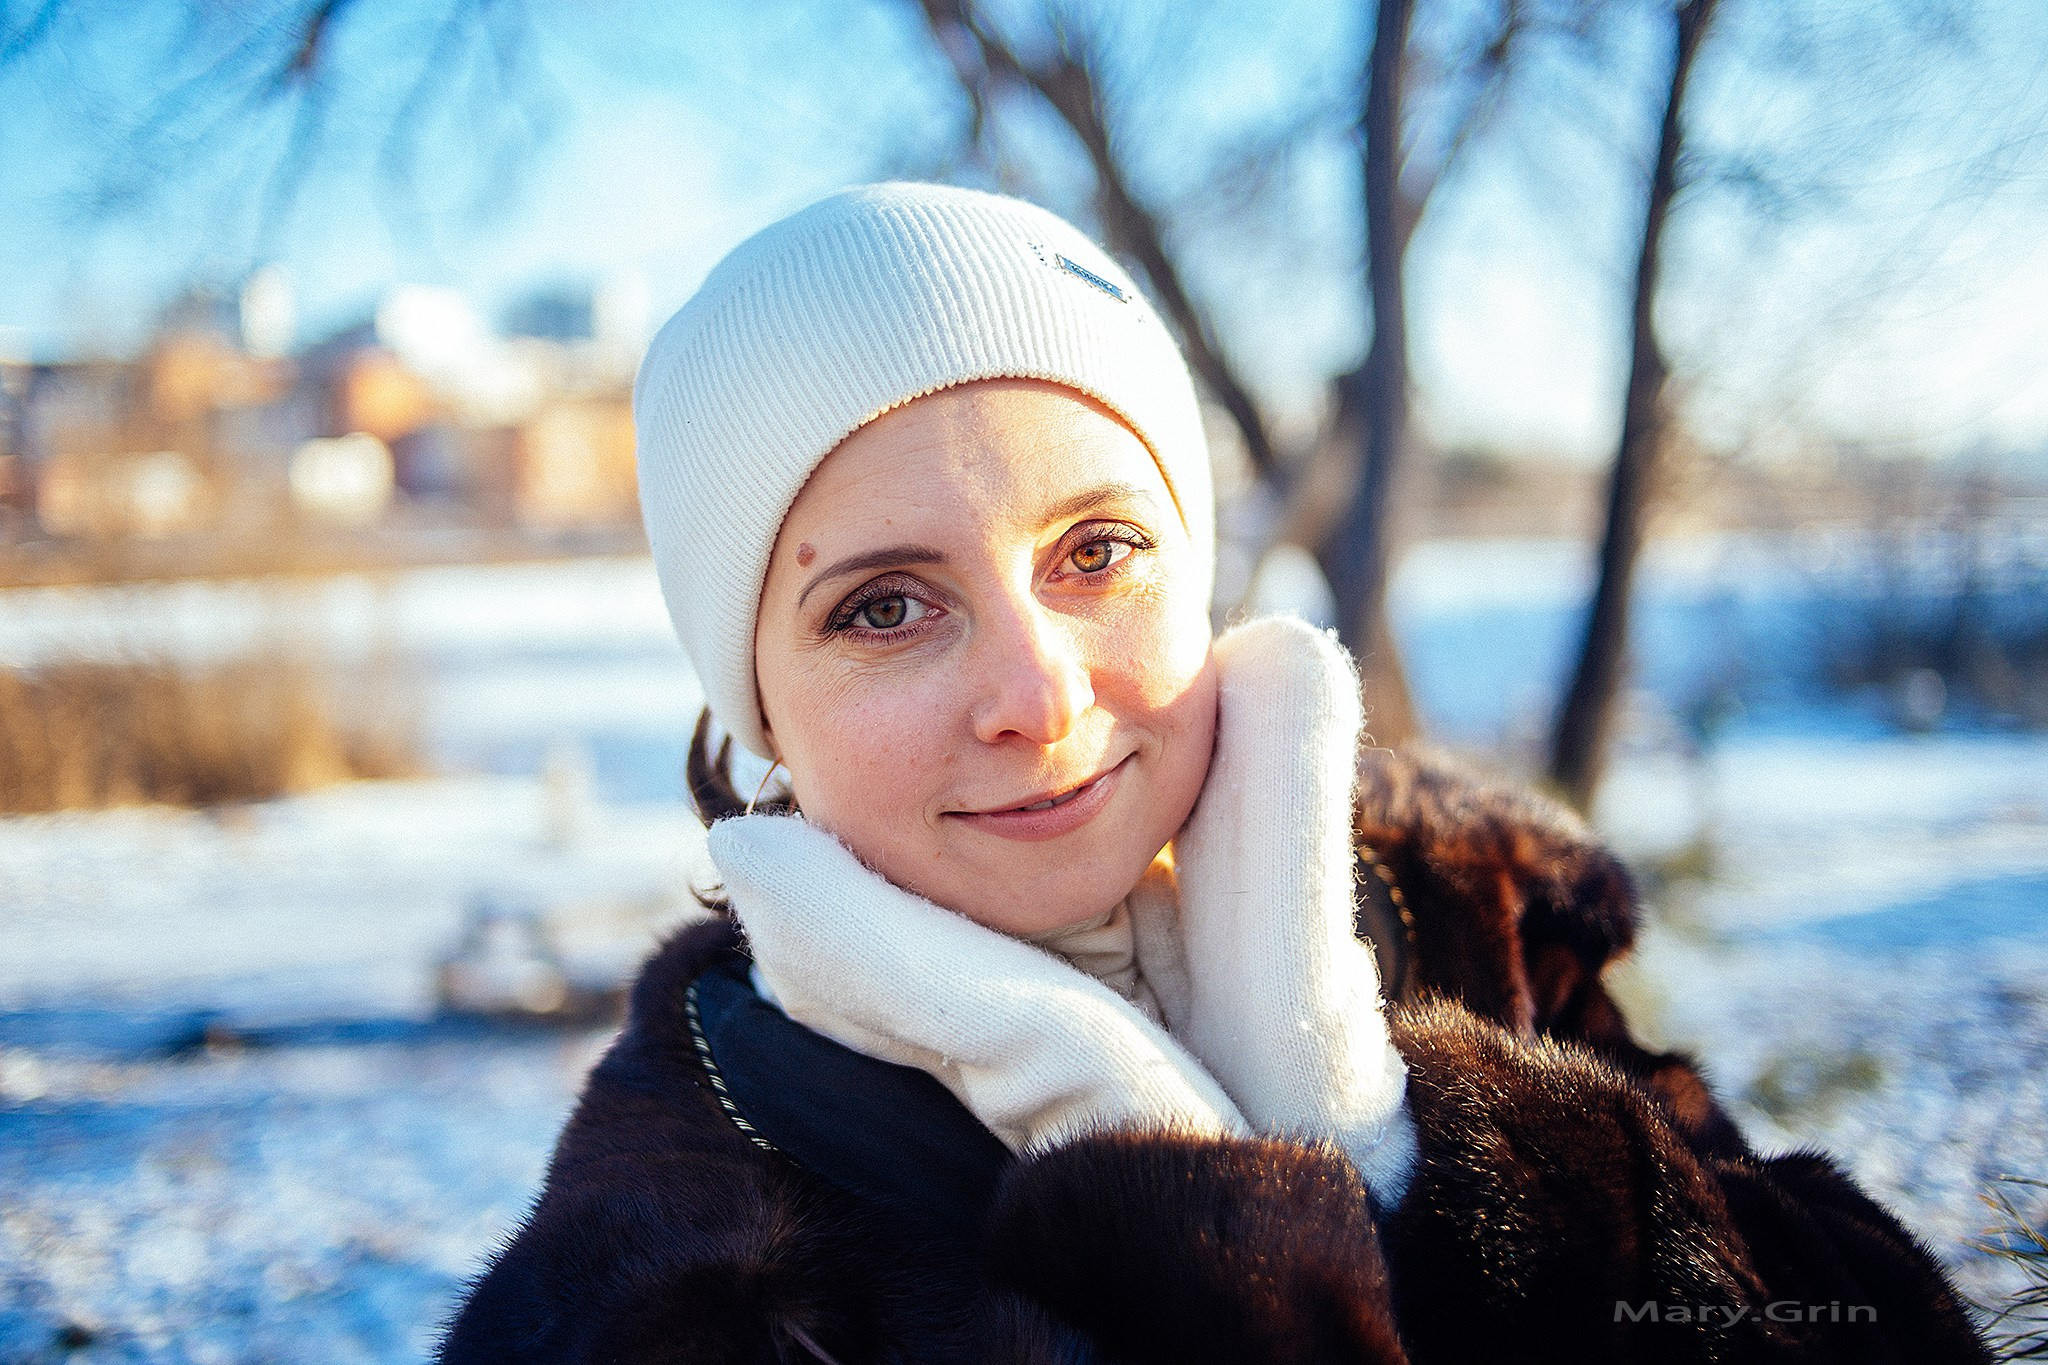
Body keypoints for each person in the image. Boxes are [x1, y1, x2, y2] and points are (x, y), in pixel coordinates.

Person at [437, 183, 1991, 1363]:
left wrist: (1408, 1149)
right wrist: (1217, 1248)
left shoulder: (1473, 915)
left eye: (1097, 549)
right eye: (885, 607)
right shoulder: (671, 1266)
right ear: (757, 706)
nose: (1040, 695)